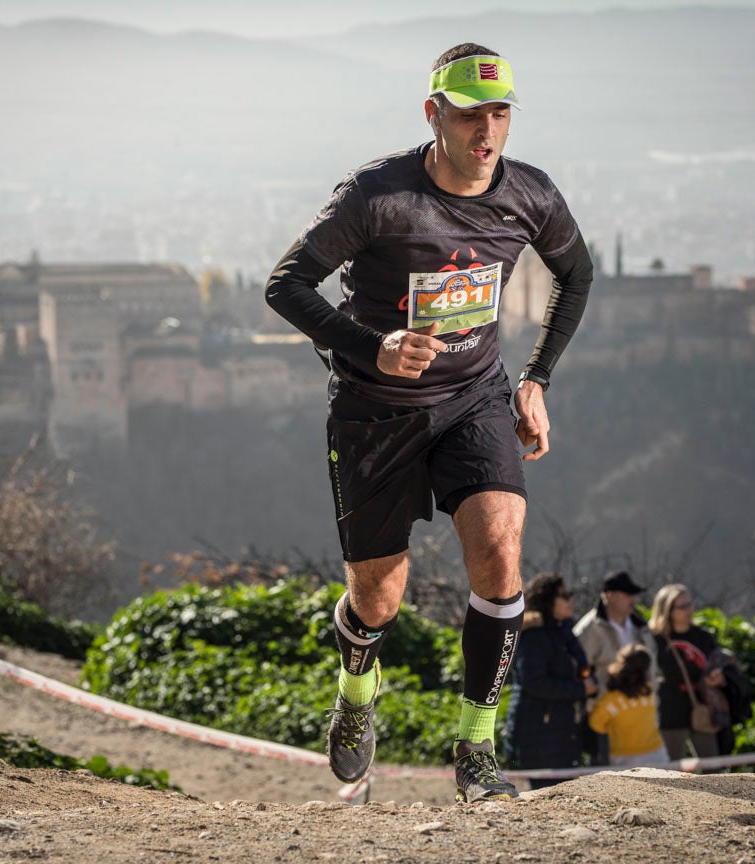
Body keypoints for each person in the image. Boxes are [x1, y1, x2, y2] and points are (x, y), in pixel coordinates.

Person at [265, 43, 593, 802]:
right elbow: (287, 286)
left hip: (473, 399)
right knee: (377, 597)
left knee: (501, 553)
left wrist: (537, 378)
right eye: (471, 113)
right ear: (434, 115)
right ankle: (356, 692)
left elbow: (576, 275)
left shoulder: (531, 196)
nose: (487, 130)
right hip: (373, 412)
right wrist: (373, 346)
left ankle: (476, 748)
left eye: (500, 112)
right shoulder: (378, 196)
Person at [503, 573, 597, 789]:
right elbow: (533, 682)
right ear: (548, 600)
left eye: (570, 594)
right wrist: (580, 688)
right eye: (564, 595)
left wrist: (587, 679)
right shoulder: (534, 635)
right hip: (538, 734)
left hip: (562, 732)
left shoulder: (563, 631)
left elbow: (578, 666)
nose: (570, 600)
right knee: (544, 798)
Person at [572, 570, 658, 764]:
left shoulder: (640, 626)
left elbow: (653, 664)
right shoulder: (588, 629)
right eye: (628, 595)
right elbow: (580, 669)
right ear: (610, 596)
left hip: (641, 711)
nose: (634, 600)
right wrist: (594, 693)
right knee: (606, 771)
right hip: (605, 714)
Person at [650, 584, 725, 760]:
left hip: (701, 706)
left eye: (689, 604)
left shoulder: (703, 636)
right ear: (667, 610)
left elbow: (717, 663)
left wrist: (719, 677)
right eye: (682, 607)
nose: (689, 610)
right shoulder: (655, 640)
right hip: (670, 710)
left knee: (713, 768)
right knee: (673, 770)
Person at [588, 643, 668, 769]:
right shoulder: (649, 692)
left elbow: (595, 723)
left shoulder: (611, 699)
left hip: (624, 756)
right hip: (656, 752)